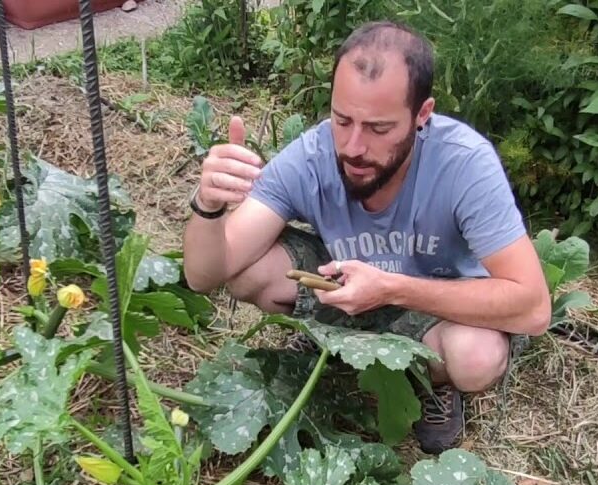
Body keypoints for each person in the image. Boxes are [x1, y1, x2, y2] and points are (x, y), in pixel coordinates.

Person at [180, 20, 551, 453]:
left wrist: (392, 289)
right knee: (249, 273)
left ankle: (434, 380)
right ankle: (340, 346)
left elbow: (534, 309)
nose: (354, 146)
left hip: (440, 307)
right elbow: (205, 275)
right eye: (342, 120)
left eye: (378, 129)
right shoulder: (312, 156)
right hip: (346, 286)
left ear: (422, 115)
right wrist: (207, 204)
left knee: (476, 359)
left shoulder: (465, 165)